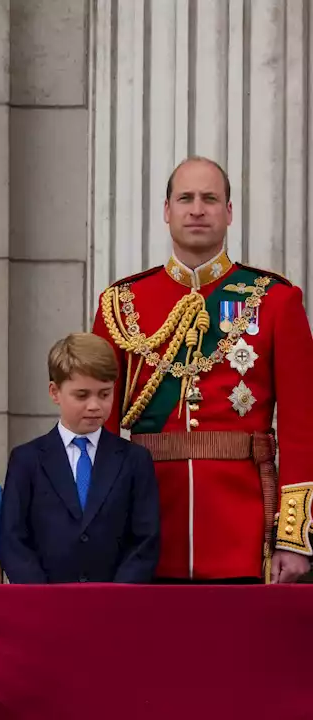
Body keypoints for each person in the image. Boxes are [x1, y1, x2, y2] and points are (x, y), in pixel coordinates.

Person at [92, 157, 313, 584]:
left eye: (210, 199)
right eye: (186, 198)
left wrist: (292, 536)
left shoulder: (275, 300)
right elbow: (99, 426)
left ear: (228, 212)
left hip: (245, 528)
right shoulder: (121, 305)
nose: (197, 209)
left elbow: (303, 428)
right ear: (166, 211)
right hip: (146, 524)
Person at [0, 333, 161, 583]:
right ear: (55, 392)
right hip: (46, 604)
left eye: (104, 394)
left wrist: (117, 595)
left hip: (114, 604)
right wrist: (41, 596)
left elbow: (145, 538)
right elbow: (14, 538)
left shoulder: (134, 460)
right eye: (82, 395)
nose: (95, 405)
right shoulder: (26, 460)